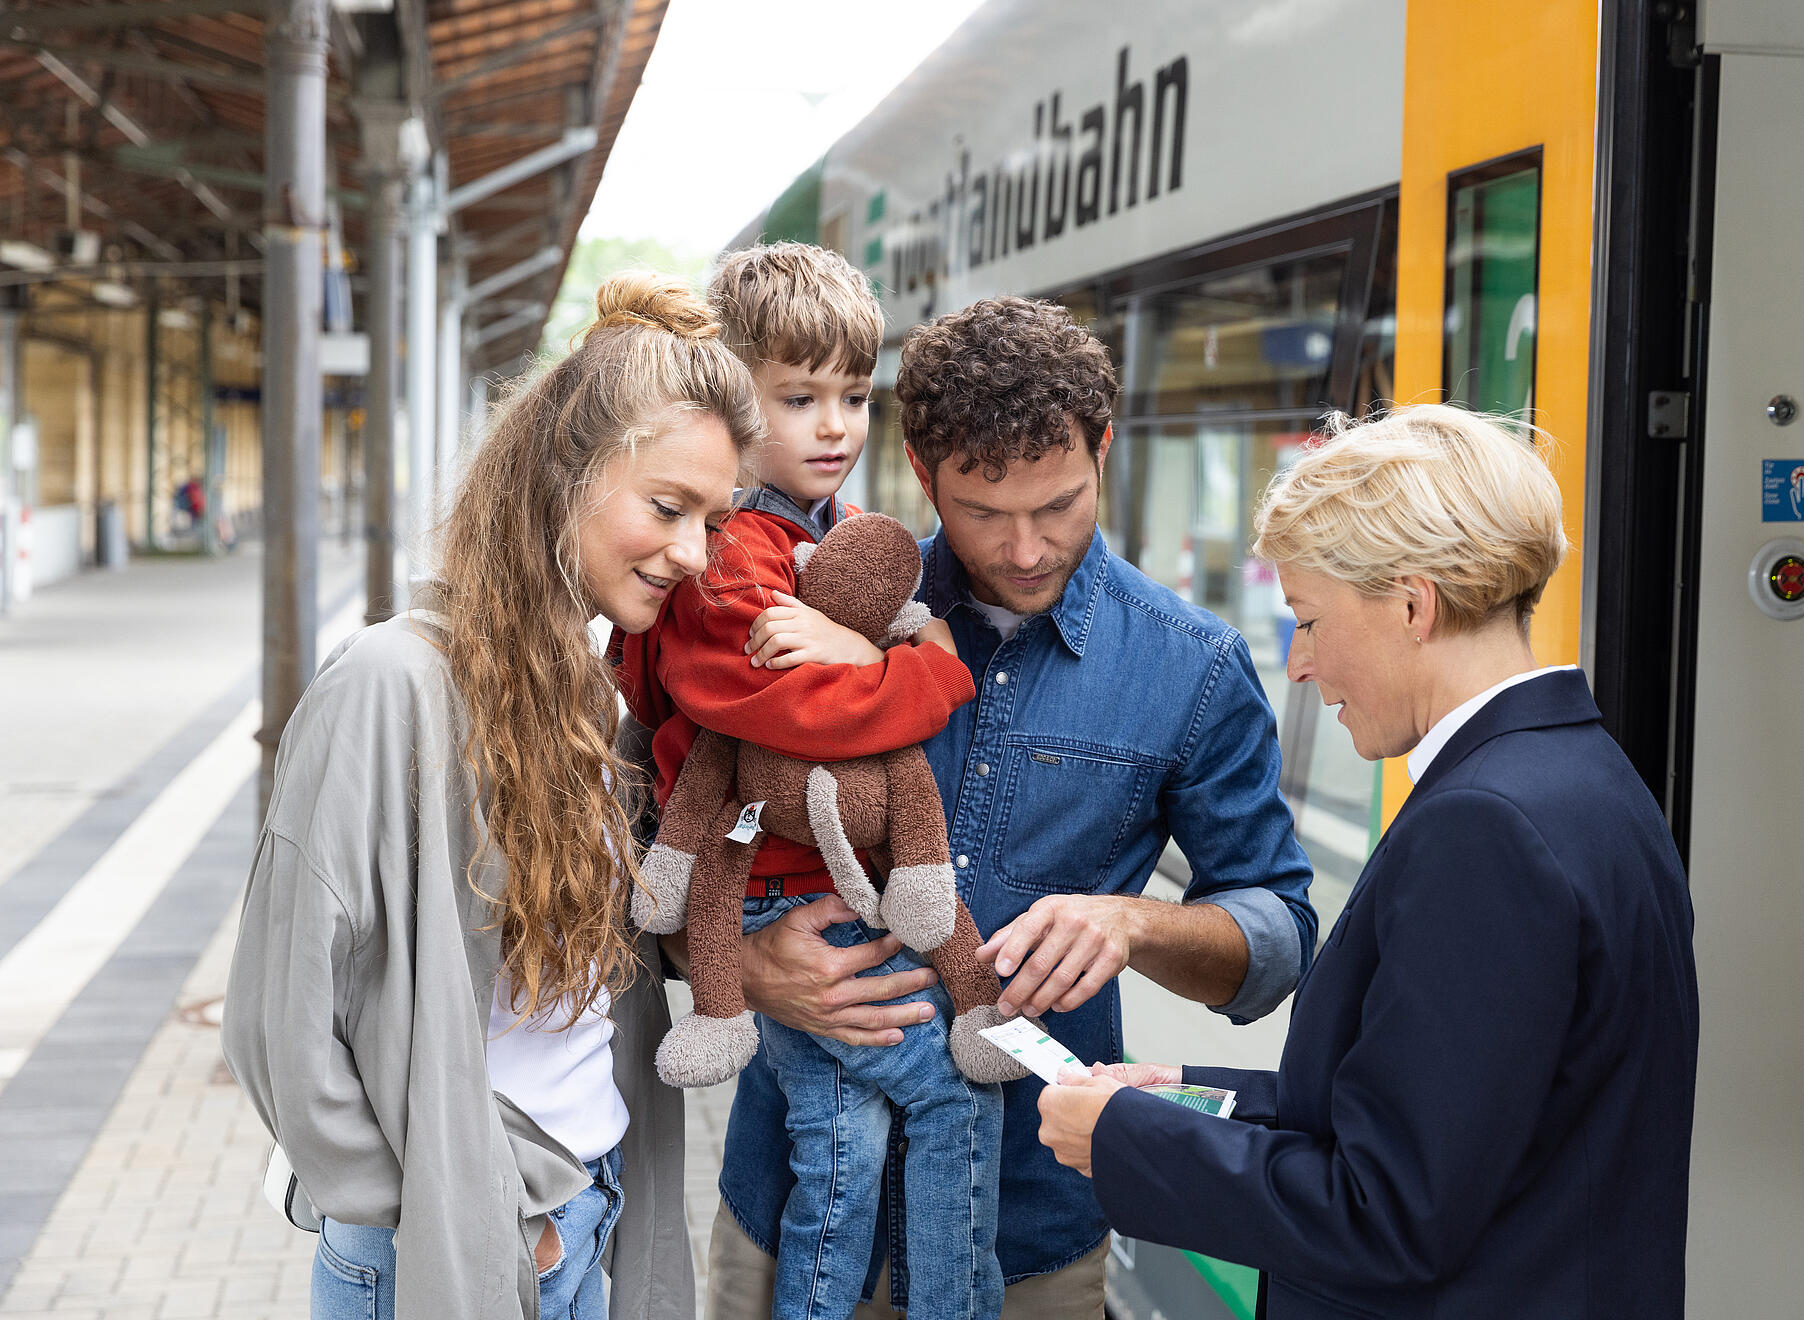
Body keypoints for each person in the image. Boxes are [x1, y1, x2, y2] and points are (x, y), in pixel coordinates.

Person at [704, 296, 1319, 1318]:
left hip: (1030, 1233)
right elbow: (677, 838)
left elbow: (1279, 934)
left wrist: (1132, 924)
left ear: (1104, 450)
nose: (1027, 549)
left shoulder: (1195, 666)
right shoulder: (809, 605)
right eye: (985, 513)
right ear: (920, 468)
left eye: (1060, 506)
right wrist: (744, 966)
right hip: (792, 1208)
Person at [1037, 405, 1701, 1319]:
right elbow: (1446, 1112)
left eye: (1310, 621)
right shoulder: (1588, 780)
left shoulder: (1484, 830)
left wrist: (1122, 1141)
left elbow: (1387, 1211)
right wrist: (1179, 1096)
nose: (1299, 664)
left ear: (1413, 606)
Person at [222, 274, 764, 1320]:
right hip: (459, 1249)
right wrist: (435, 1210)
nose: (694, 555)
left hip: (586, 1208)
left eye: (714, 520)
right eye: (667, 508)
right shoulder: (391, 685)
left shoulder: (590, 696)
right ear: (563, 474)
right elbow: (274, 1020)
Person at [617, 242, 1003, 1319]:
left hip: (803, 882)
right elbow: (796, 710)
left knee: (842, 1160)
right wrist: (925, 669)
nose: (835, 426)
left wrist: (861, 646)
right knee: (954, 1101)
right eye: (799, 399)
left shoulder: (818, 530)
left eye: (854, 396)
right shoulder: (733, 553)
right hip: (777, 891)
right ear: (731, 404)